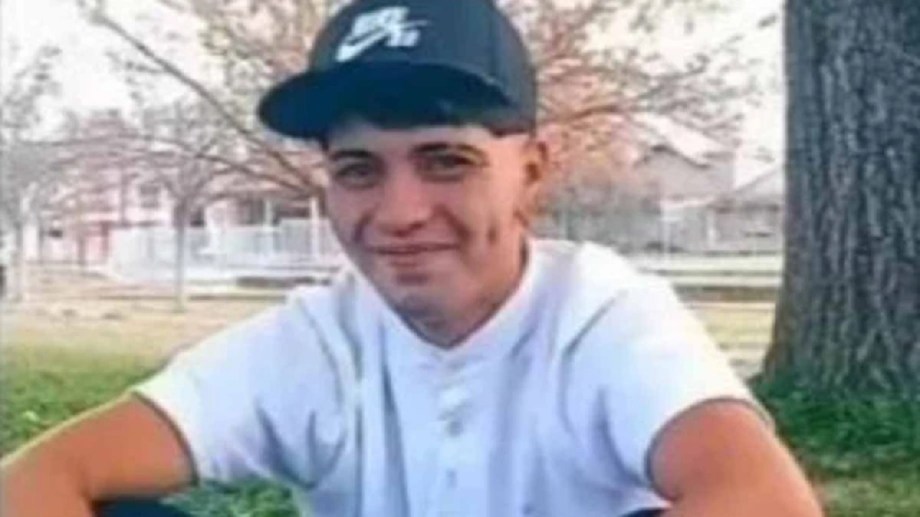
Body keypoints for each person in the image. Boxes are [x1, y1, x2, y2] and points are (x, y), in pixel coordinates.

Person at [0, 0, 824, 516]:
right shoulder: (315, 341)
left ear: (531, 170)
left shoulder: (601, 316)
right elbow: (37, 478)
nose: (399, 213)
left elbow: (768, 503)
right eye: (359, 169)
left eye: (446, 160)